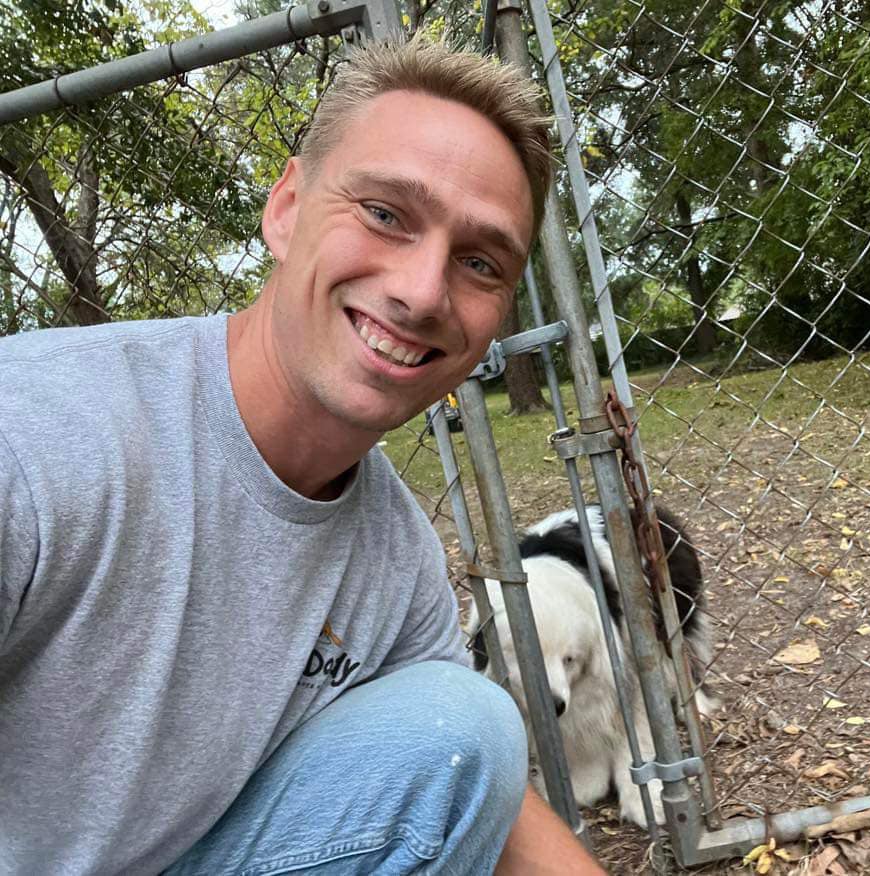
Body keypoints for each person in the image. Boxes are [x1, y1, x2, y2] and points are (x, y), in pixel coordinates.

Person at [0, 35, 604, 875]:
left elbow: (480, 791)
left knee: (466, 723)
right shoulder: (37, 437)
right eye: (386, 214)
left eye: (479, 262)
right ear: (285, 208)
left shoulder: (391, 555)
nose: (423, 291)